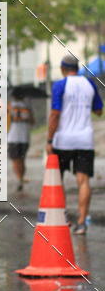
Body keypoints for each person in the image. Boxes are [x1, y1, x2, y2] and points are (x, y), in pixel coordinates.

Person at [48, 53, 103, 234]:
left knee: (58, 179)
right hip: (84, 140)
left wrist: (49, 139)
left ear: (63, 69)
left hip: (63, 140)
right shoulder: (90, 84)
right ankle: (81, 222)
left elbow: (55, 114)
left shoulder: (60, 85)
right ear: (78, 69)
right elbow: (99, 111)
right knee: (83, 180)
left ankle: (63, 218)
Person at [7, 90, 34, 191]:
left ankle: (19, 179)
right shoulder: (27, 107)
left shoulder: (9, 106)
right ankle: (21, 178)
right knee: (22, 160)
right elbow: (32, 121)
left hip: (12, 136)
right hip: (24, 137)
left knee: (15, 160)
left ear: (13, 96)